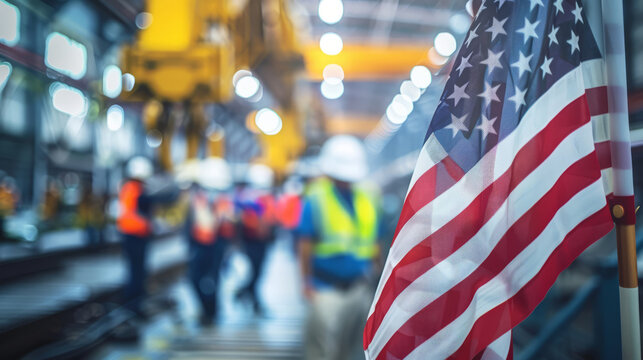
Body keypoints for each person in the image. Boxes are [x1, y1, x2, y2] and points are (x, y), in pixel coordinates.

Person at [298, 135, 382, 360]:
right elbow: (305, 242)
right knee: (321, 351)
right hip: (325, 287)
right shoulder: (315, 197)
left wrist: (375, 276)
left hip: (359, 286)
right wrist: (306, 282)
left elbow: (375, 239)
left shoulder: (368, 196)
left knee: (352, 349)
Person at [117, 156, 177, 316]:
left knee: (137, 272)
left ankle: (135, 306)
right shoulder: (134, 189)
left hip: (133, 236)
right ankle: (133, 307)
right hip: (135, 237)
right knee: (137, 274)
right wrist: (173, 190)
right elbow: (151, 200)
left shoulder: (129, 188)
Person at [184, 157, 235, 325]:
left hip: (214, 246)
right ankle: (209, 311)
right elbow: (192, 225)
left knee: (211, 280)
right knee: (198, 279)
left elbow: (222, 225)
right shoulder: (200, 200)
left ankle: (211, 312)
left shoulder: (219, 201)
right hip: (202, 245)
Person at [235, 163, 277, 314]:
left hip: (261, 240)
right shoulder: (247, 199)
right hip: (252, 240)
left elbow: (271, 220)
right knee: (255, 270)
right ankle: (252, 298)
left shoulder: (262, 198)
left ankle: (245, 293)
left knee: (258, 271)